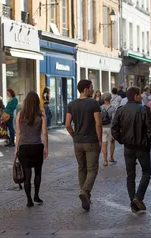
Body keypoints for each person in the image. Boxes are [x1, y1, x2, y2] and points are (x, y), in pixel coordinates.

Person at [111, 87, 151, 213]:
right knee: (146, 171)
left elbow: (114, 129)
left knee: (130, 174)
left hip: (128, 147)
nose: (141, 97)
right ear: (135, 96)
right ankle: (138, 198)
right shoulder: (143, 110)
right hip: (142, 146)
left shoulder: (121, 110)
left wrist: (122, 140)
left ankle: (133, 201)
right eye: (139, 95)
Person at [65, 80, 102, 211]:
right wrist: (100, 139)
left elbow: (68, 124)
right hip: (91, 141)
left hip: (78, 142)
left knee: (82, 168)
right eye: (91, 88)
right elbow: (98, 123)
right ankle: (85, 191)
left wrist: (74, 135)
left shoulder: (71, 104)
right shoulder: (94, 103)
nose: (93, 90)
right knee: (92, 170)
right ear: (86, 90)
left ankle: (86, 196)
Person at [14, 91, 48, 208]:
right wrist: (46, 147)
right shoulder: (41, 115)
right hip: (37, 146)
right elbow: (44, 132)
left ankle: (29, 200)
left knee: (27, 175)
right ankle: (36, 195)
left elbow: (18, 133)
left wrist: (16, 148)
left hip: (24, 147)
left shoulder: (20, 115)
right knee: (38, 172)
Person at [100, 92, 116, 166]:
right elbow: (113, 119)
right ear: (110, 99)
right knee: (112, 142)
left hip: (103, 127)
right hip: (110, 127)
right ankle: (111, 157)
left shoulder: (100, 107)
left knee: (104, 143)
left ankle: (105, 160)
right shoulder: (113, 108)